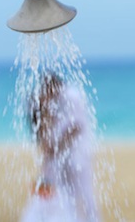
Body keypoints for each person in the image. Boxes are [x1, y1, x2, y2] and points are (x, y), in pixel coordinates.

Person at [19, 73, 100, 222]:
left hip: (76, 155)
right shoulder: (48, 105)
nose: (45, 94)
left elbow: (77, 126)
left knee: (82, 193)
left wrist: (55, 147)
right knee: (62, 194)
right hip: (59, 158)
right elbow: (45, 141)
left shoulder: (70, 96)